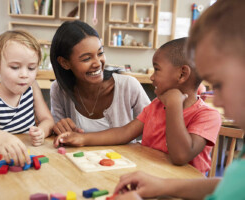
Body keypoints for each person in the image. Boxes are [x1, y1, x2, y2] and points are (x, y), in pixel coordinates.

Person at [114, 0, 245, 199]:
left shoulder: (204, 114)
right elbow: (227, 186)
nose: (216, 101)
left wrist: (175, 103)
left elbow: (181, 156)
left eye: (218, 84)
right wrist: (164, 186)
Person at [54, 37, 222, 174]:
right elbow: (124, 132)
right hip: (150, 179)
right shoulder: (156, 106)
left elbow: (180, 156)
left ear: (182, 74)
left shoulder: (207, 116)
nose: (152, 77)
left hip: (183, 191)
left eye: (157, 69)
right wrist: (83, 138)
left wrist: (174, 105)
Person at [50, 20, 150, 135]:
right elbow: (58, 134)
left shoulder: (128, 85)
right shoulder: (59, 89)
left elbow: (153, 124)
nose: (97, 63)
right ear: (64, 63)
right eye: (87, 58)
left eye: (100, 53)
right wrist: (57, 128)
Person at [0, 30, 54, 167]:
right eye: (15, 67)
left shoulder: (32, 87)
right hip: (1, 159)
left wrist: (42, 131)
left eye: (31, 68)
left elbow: (48, 120)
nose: (24, 74)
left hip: (28, 156)